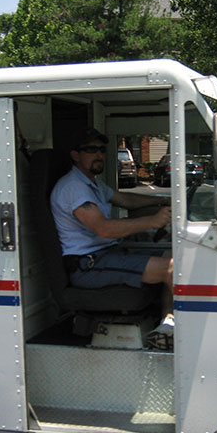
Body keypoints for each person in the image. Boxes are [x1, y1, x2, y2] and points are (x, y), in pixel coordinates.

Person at [50, 129, 174, 349]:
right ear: (75, 155)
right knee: (171, 269)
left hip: (107, 256)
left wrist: (163, 199)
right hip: (88, 265)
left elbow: (125, 199)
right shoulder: (73, 188)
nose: (98, 155)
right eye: (90, 150)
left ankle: (166, 325)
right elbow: (104, 229)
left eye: (101, 150)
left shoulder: (93, 184)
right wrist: (153, 221)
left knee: (172, 256)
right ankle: (169, 329)